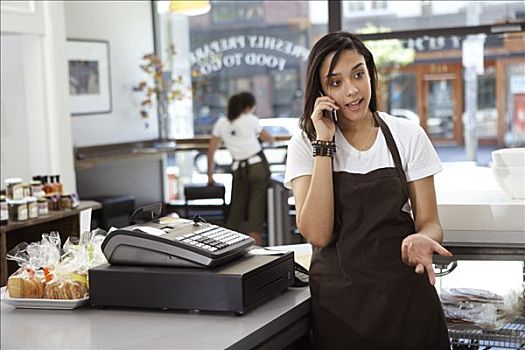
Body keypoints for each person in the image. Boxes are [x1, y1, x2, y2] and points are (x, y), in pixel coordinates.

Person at [284, 31, 452, 349]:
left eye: (358, 74)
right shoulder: (305, 144)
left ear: (370, 74)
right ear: (320, 90)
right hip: (341, 309)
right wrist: (324, 143)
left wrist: (423, 237)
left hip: (406, 303)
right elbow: (317, 235)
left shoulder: (407, 135)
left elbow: (430, 221)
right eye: (335, 82)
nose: (352, 90)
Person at [207, 92, 274, 246]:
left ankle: (230, 245)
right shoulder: (250, 119)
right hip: (257, 166)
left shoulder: (221, 123)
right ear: (247, 107)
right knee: (256, 206)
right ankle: (256, 244)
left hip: (238, 169)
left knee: (237, 206)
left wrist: (210, 176)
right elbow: (268, 138)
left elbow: (211, 150)